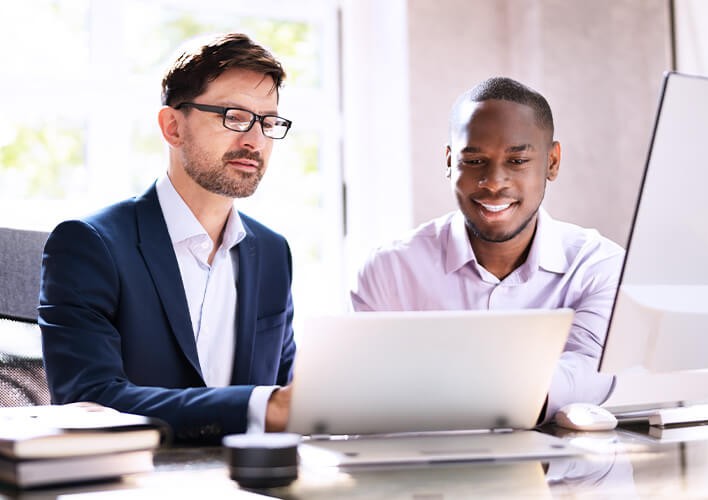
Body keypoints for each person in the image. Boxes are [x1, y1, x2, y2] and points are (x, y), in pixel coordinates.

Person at [39, 33, 295, 442]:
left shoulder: (272, 251)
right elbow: (89, 399)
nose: (255, 140)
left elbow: (287, 392)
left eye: (268, 122)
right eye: (234, 116)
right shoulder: (89, 245)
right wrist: (259, 408)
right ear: (172, 127)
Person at [351, 77, 624, 422]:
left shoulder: (599, 265)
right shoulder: (390, 269)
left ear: (552, 162)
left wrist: (432, 382)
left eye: (518, 161)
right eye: (475, 161)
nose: (494, 182)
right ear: (450, 162)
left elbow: (590, 372)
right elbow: (363, 392)